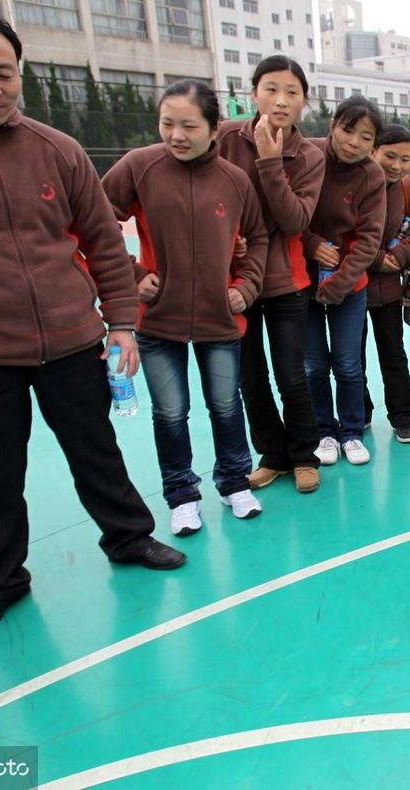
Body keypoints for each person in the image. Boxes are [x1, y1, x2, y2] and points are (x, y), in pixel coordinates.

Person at [0, 9, 186, 643]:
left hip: (73, 340)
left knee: (96, 450)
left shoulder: (56, 148)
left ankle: (129, 537)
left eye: (4, 72)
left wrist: (121, 323)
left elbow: (102, 241)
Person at [101, 80, 268, 536]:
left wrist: (247, 286)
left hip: (220, 319)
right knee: (170, 413)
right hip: (158, 321)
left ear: (213, 128)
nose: (176, 134)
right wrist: (135, 275)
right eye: (167, 123)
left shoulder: (235, 181)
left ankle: (235, 483)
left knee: (225, 405)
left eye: (188, 125)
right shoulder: (140, 166)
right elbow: (94, 222)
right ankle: (182, 496)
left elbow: (260, 239)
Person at [218, 56, 326, 494]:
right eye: (270, 89)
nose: (280, 100)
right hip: (236, 284)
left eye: (292, 92)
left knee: (291, 374)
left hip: (286, 283)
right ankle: (273, 455)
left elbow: (295, 220)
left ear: (304, 101)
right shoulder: (224, 139)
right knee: (250, 376)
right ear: (253, 94)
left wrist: (268, 162)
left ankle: (304, 454)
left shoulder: (309, 156)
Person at [303, 96, 386, 467]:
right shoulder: (306, 158)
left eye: (365, 137)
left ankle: (351, 432)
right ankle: (324, 431)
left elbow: (369, 239)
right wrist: (310, 244)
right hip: (300, 283)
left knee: (348, 364)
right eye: (348, 131)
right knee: (313, 365)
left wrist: (339, 283)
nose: (354, 142)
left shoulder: (372, 175)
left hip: (348, 286)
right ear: (333, 124)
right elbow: (285, 214)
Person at [362, 124, 410, 444]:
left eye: (405, 159)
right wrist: (376, 259)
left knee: (394, 353)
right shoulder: (356, 183)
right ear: (374, 152)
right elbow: (346, 233)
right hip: (354, 287)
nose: (396, 165)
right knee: (350, 358)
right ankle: (359, 413)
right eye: (390, 156)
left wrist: (396, 255)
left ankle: (402, 416)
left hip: (390, 289)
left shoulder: (407, 188)